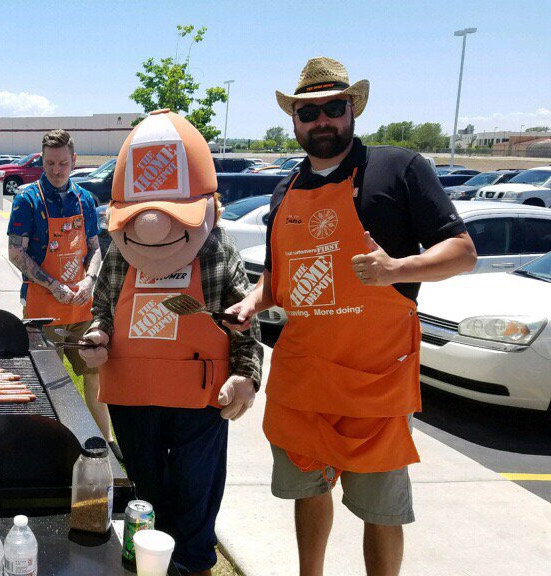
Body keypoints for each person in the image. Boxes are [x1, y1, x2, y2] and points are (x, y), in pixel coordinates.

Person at [225, 57, 477, 576]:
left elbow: (462, 252)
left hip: (374, 383)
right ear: (294, 120)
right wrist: (251, 302)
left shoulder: (399, 167)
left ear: (352, 110)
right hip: (304, 379)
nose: (321, 120)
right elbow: (278, 278)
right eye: (308, 112)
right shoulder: (285, 189)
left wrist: (397, 269)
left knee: (380, 512)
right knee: (308, 492)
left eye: (333, 108)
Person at [79, 110, 261, 576]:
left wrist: (246, 375)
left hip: (199, 398)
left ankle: (194, 565)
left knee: (195, 496)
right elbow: (104, 308)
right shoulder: (120, 251)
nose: (151, 230)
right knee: (146, 497)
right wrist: (98, 336)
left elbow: (243, 319)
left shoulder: (216, 249)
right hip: (132, 395)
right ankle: (149, 564)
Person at [6, 129, 113, 445]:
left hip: (82, 307)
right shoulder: (27, 200)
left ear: (74, 160)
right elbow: (15, 252)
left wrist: (90, 279)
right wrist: (53, 285)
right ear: (42, 160)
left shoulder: (84, 199)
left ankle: (104, 443)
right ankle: (51, 445)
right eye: (50, 163)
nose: (56, 170)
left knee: (94, 376)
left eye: (63, 163)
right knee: (49, 383)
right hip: (44, 310)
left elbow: (94, 247)